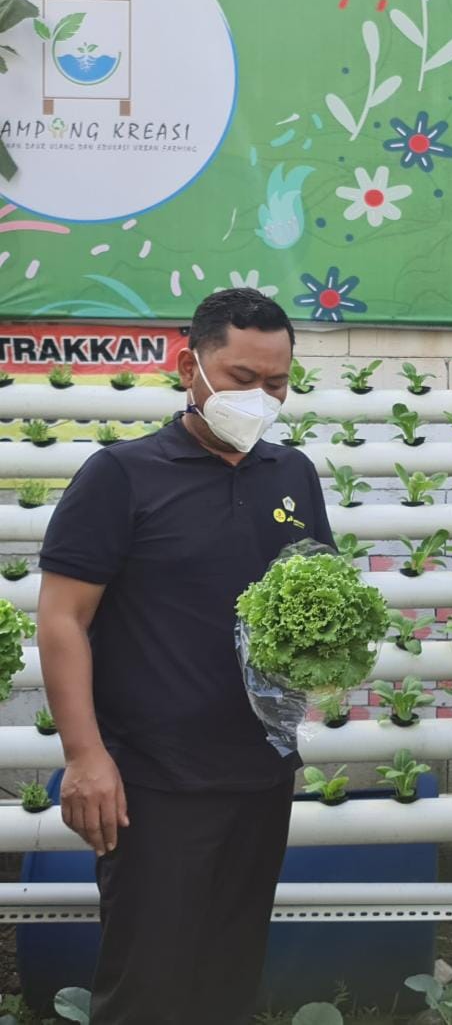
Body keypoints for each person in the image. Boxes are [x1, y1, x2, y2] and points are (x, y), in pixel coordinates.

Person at [37, 289, 334, 1025]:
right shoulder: (122, 476)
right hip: (152, 784)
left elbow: (315, 601)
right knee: (150, 988)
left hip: (259, 774)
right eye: (240, 378)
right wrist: (85, 755)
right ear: (188, 368)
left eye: (276, 383)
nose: (259, 397)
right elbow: (62, 619)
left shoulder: (291, 475)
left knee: (228, 980)